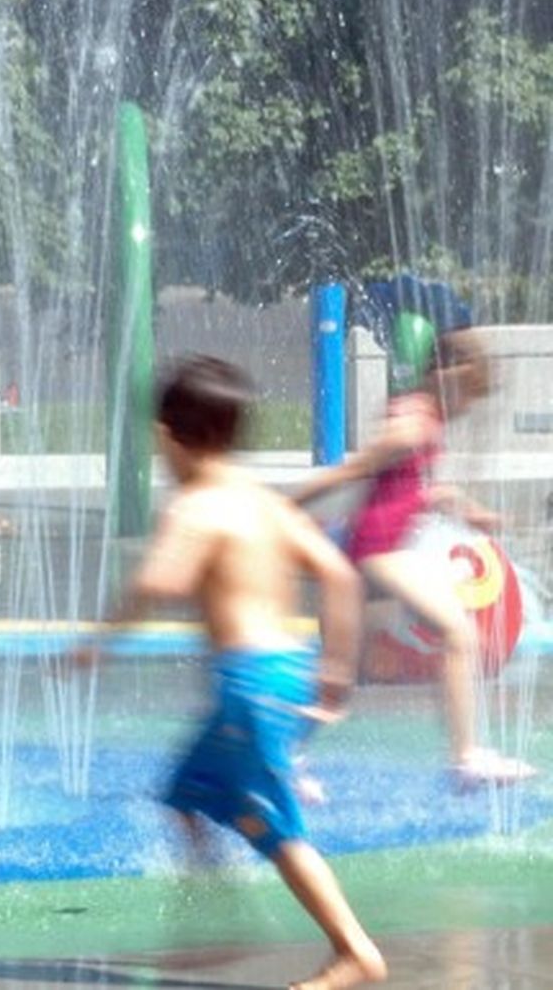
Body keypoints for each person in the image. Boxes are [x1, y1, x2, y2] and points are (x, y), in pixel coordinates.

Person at [67, 356, 386, 990]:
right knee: (185, 795)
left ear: (165, 436)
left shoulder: (196, 507)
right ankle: (212, 920)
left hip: (250, 686)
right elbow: (340, 576)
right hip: (286, 671)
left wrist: (99, 643)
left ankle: (355, 952)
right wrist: (336, 676)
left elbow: (162, 580)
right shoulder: (263, 504)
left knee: (275, 825)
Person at [293, 330, 535, 787]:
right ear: (449, 374)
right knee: (456, 630)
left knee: (340, 678)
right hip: (376, 552)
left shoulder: (424, 419)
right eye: (470, 394)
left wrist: (469, 511)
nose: (468, 408)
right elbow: (354, 470)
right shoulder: (412, 424)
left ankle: (282, 757)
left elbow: (421, 489)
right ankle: (466, 760)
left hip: (376, 554)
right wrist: (286, 505)